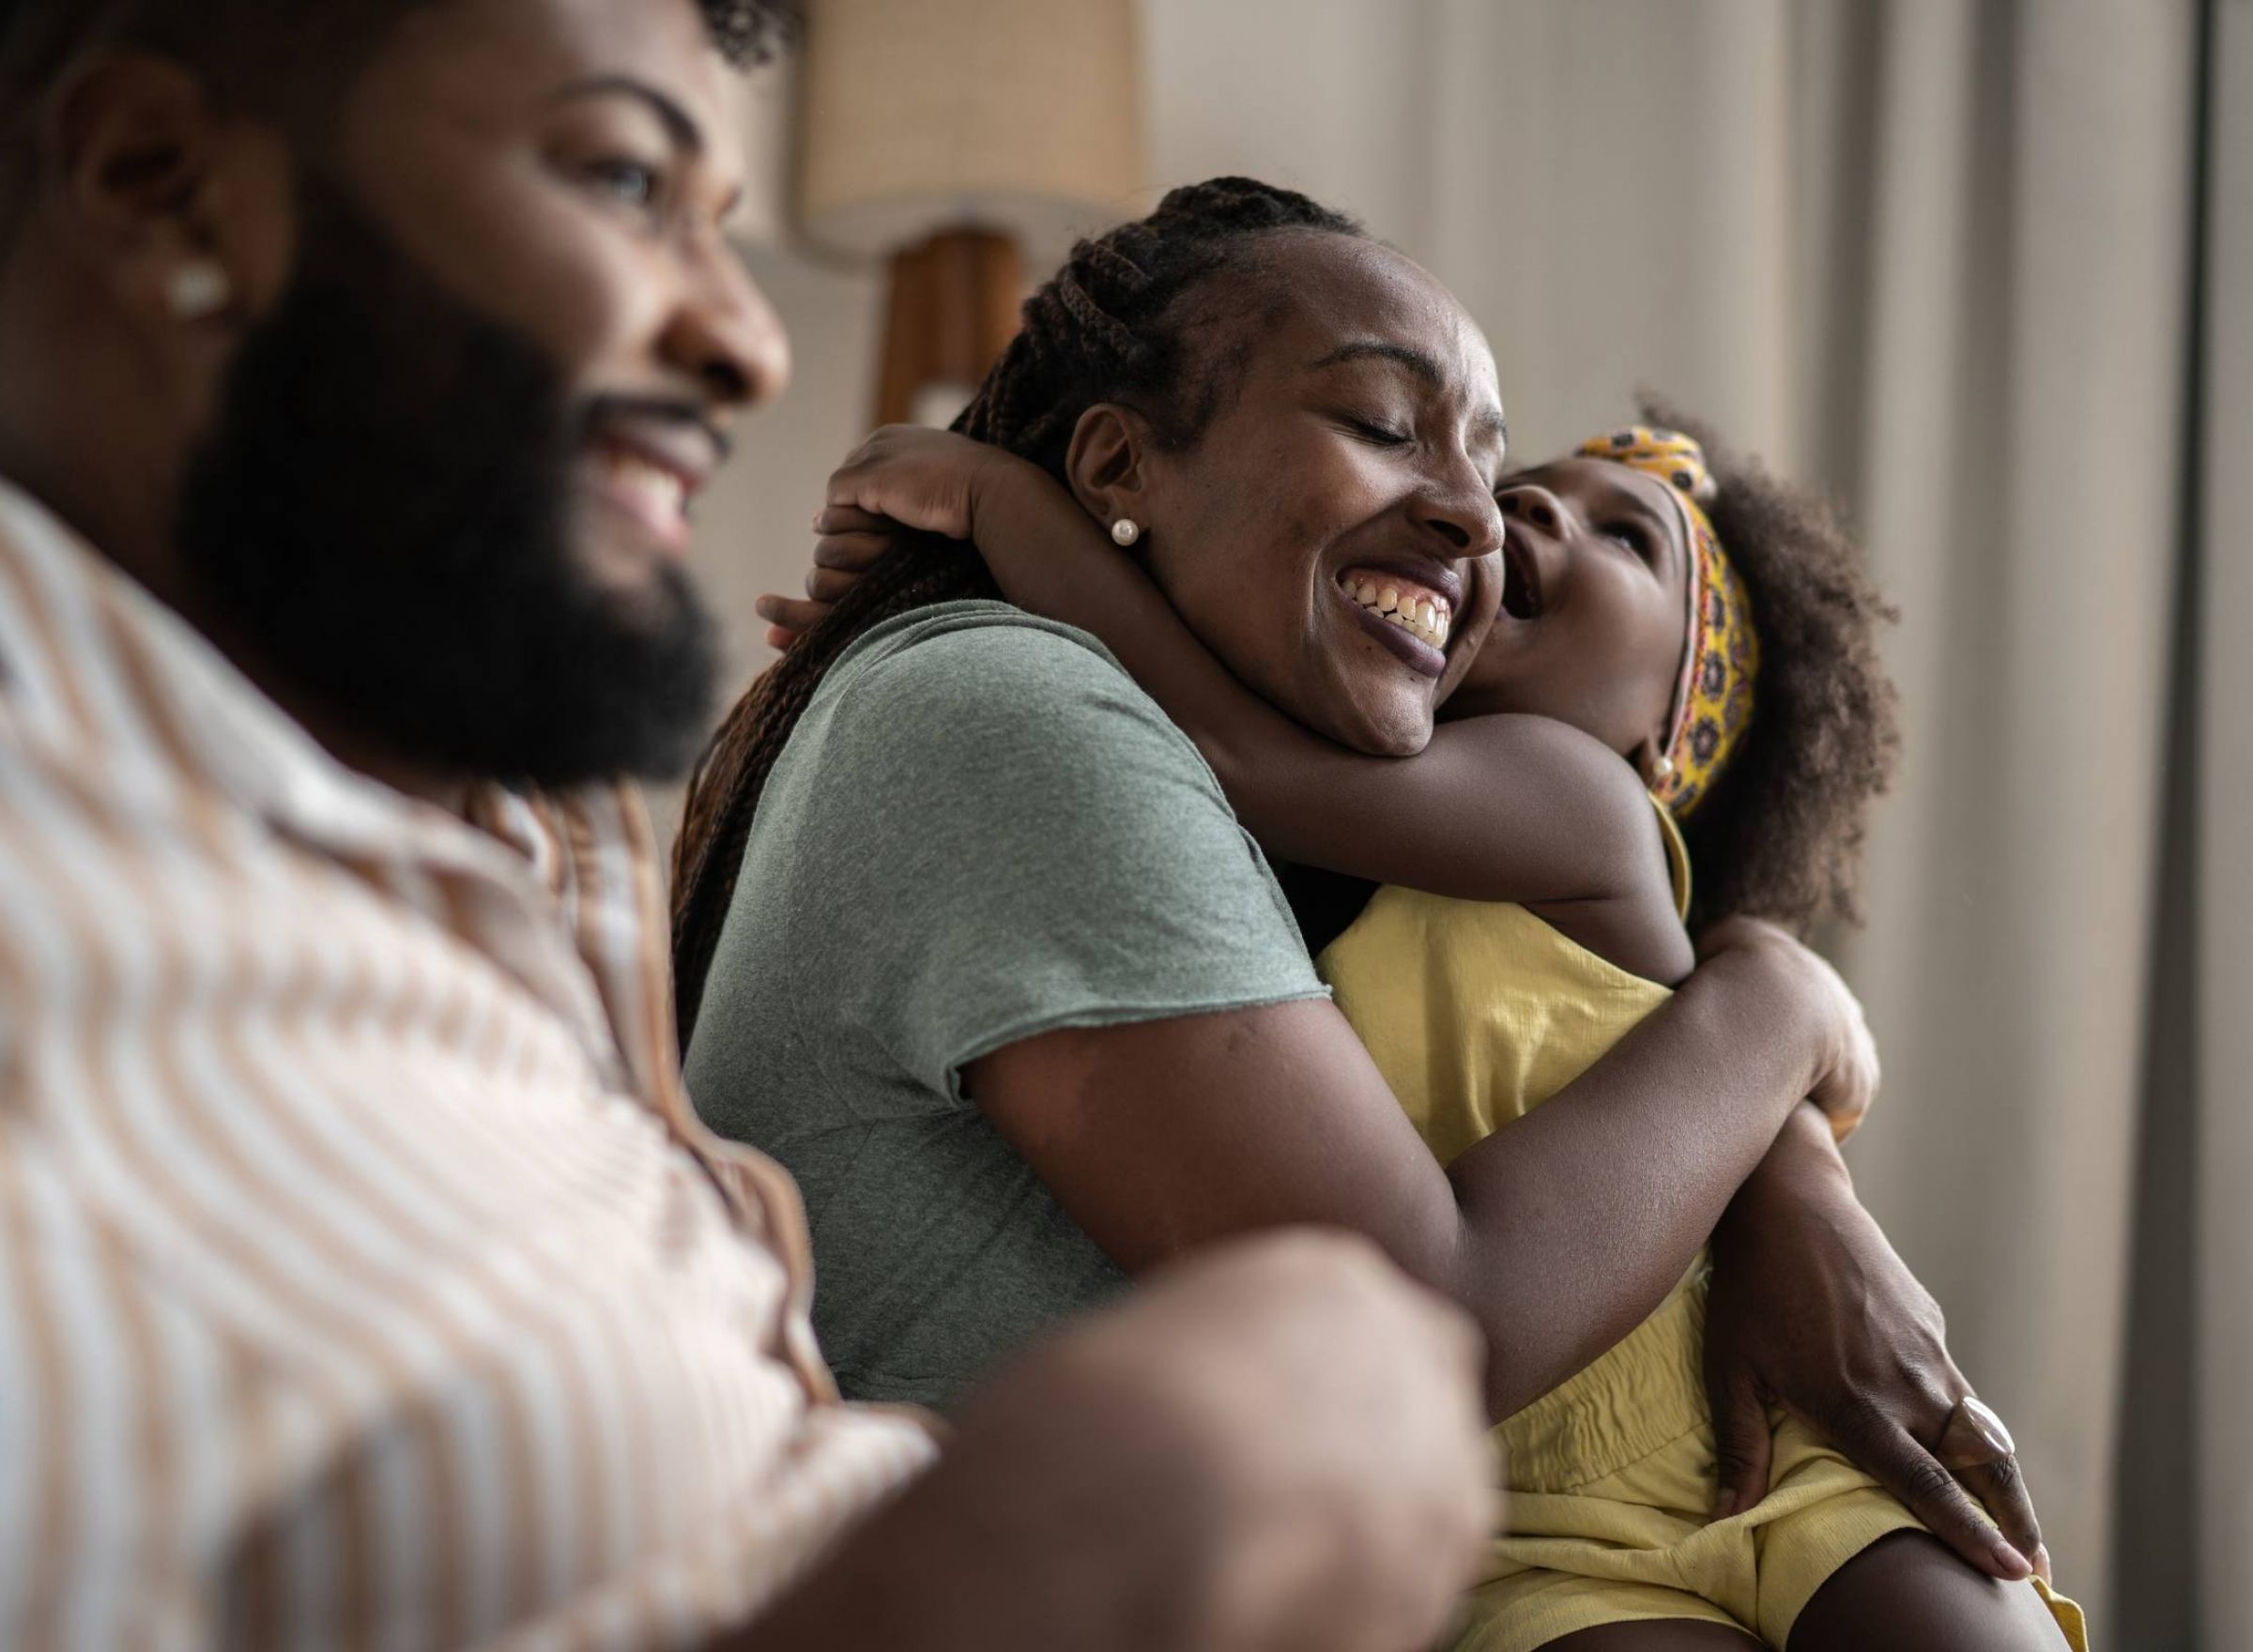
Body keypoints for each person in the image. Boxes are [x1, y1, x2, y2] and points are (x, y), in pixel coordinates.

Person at [0, 6, 1506, 1647]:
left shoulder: (490, 831)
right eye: (624, 176)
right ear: (161, 188)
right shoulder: (58, 917)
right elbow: (1431, 1307)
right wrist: (1047, 1550)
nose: (750, 341)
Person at [677, 178, 2054, 1625]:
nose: (1481, 514)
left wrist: (1787, 1155)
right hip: (1543, 1524)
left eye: (1488, 455)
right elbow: (1422, 1327)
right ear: (1117, 468)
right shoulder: (1028, 716)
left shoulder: (1371, 834)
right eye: (1386, 427)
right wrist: (1778, 1006)